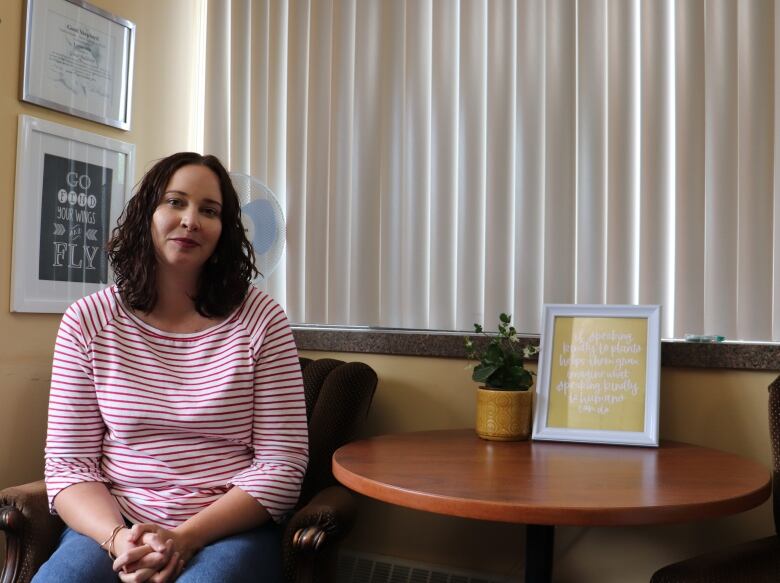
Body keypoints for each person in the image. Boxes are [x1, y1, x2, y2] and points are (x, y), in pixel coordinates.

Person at [32, 152, 308, 583]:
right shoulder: (88, 321)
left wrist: (183, 538)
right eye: (175, 202)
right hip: (115, 522)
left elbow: (283, 463)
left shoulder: (263, 320)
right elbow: (70, 465)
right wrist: (119, 540)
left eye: (209, 210)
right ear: (147, 215)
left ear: (226, 230)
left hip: (225, 528)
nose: (191, 219)